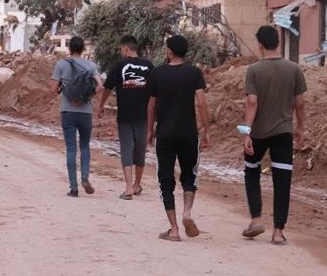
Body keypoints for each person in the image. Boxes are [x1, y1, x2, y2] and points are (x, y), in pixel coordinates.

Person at [240, 25, 306, 245]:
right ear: (278, 42)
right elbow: (300, 103)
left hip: (258, 133)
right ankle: (278, 232)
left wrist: (247, 133)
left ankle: (256, 219)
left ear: (260, 45)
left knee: (251, 171)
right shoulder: (294, 69)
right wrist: (300, 128)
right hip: (283, 132)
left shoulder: (254, 70)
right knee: (282, 180)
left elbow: (252, 102)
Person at [146, 35, 210, 242]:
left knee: (165, 180)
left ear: (170, 51)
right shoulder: (194, 73)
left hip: (165, 134)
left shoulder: (157, 73)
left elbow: (151, 105)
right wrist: (206, 130)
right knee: (190, 175)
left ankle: (174, 229)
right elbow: (201, 103)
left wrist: (150, 129)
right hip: (189, 134)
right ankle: (187, 213)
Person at [98, 35, 153, 199]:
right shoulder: (149, 66)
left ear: (126, 48)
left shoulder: (118, 66)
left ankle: (128, 188)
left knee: (127, 148)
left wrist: (101, 105)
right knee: (141, 149)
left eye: (121, 49)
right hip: (144, 115)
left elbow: (107, 88)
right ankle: (137, 184)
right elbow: (155, 91)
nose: (121, 52)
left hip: (125, 115)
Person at [50, 36, 101, 197]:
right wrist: (87, 97)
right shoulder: (91, 66)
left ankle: (73, 188)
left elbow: (53, 89)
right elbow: (100, 86)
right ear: (83, 49)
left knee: (71, 148)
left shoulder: (61, 64)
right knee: (85, 146)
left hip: (68, 111)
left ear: (69, 48)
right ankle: (85, 178)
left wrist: (63, 89)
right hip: (86, 112)